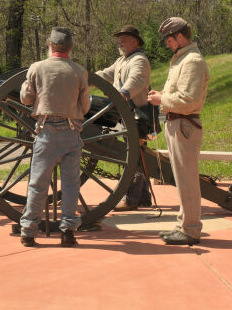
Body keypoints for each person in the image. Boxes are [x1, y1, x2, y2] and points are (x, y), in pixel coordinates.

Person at [18, 27, 91, 247]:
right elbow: (85, 106)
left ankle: (29, 232)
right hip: (70, 132)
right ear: (70, 48)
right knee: (70, 185)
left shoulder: (37, 68)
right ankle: (68, 232)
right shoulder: (79, 71)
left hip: (46, 131)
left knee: (37, 184)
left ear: (50, 45)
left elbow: (26, 99)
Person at [147, 17, 209, 245]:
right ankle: (184, 225)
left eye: (169, 39)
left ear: (180, 36)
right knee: (182, 179)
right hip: (178, 123)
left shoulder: (191, 61)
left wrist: (161, 98)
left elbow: (189, 100)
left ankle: (191, 230)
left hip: (184, 124)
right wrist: (162, 96)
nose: (166, 44)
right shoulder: (183, 59)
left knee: (187, 180)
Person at [95, 25, 152, 211]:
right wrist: (84, 79)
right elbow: (105, 75)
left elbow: (136, 80)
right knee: (136, 155)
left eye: (124, 38)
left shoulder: (139, 60)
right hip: (126, 113)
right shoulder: (121, 60)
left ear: (134, 41)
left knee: (134, 155)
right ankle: (143, 197)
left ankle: (131, 199)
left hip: (138, 114)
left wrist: (123, 94)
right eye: (119, 38)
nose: (119, 41)